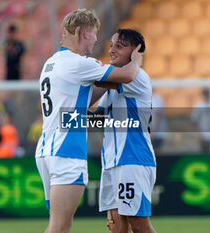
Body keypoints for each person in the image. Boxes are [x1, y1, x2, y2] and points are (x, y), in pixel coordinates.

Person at [35, 9, 143, 233]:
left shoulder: (51, 63)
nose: (96, 40)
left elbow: (81, 101)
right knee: (58, 227)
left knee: (61, 225)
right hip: (66, 150)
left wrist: (104, 84)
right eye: (94, 34)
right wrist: (137, 59)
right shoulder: (78, 63)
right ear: (82, 32)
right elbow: (129, 75)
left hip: (46, 150)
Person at [94, 29, 157, 233]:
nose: (111, 50)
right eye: (111, 45)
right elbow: (97, 119)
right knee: (116, 228)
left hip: (132, 158)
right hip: (111, 161)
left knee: (138, 225)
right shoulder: (116, 84)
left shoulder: (136, 76)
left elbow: (94, 80)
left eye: (119, 46)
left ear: (135, 51)